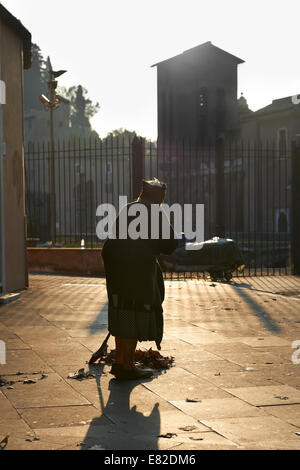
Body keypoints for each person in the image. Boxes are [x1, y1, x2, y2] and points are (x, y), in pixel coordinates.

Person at [102, 178, 178, 380]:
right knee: (134, 314)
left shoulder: (128, 208)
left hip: (116, 270)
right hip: (137, 272)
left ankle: (120, 363)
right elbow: (170, 244)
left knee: (122, 312)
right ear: (157, 196)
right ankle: (127, 366)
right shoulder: (154, 212)